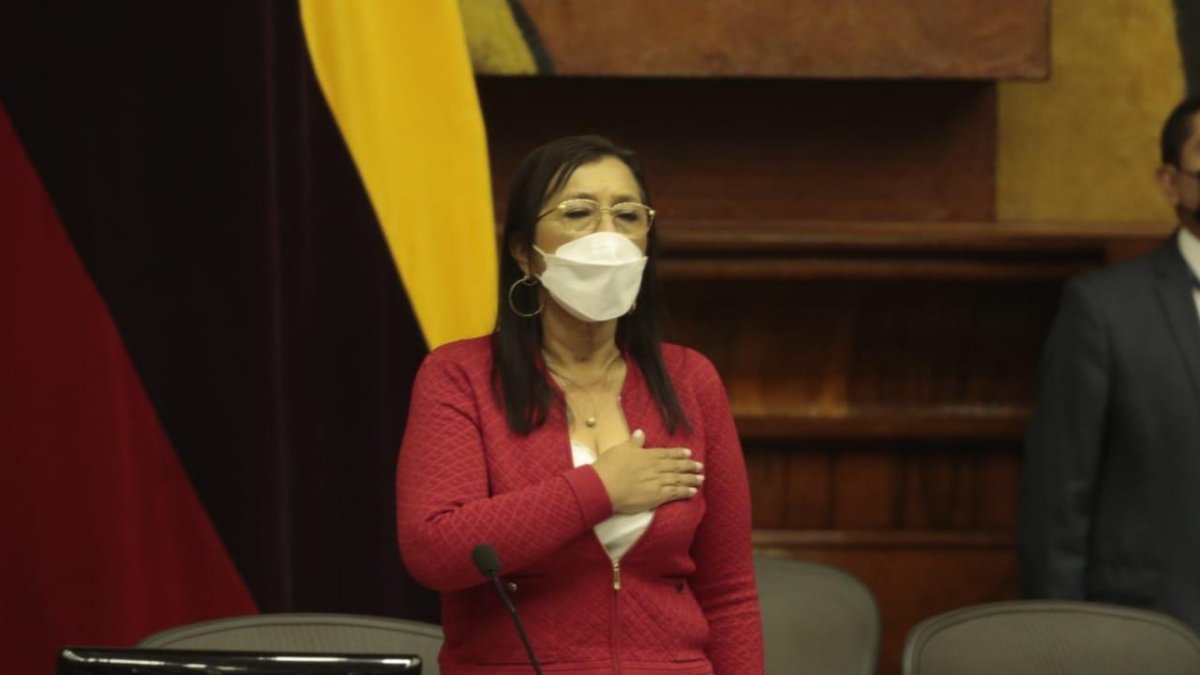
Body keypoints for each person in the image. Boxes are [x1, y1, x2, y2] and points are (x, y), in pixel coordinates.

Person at [396, 135, 764, 674]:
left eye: (628, 215)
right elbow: (435, 549)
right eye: (579, 213)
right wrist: (599, 489)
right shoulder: (460, 377)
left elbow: (729, 591)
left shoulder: (691, 379)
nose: (608, 236)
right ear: (525, 252)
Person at [1019, 95, 1200, 629]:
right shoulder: (1104, 309)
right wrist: (1064, 642)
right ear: (1171, 181)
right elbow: (1055, 503)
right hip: (1149, 630)